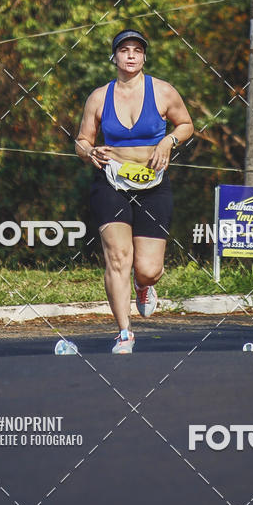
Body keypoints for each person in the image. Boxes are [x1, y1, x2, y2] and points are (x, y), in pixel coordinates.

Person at [75, 29, 194, 353]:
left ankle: (144, 286)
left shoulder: (163, 92)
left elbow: (186, 125)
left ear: (144, 57)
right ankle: (124, 332)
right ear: (114, 57)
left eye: (137, 50)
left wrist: (168, 141)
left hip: (152, 184)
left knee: (148, 268)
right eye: (124, 49)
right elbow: (82, 140)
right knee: (118, 257)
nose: (130, 55)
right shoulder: (99, 97)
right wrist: (89, 152)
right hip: (111, 182)